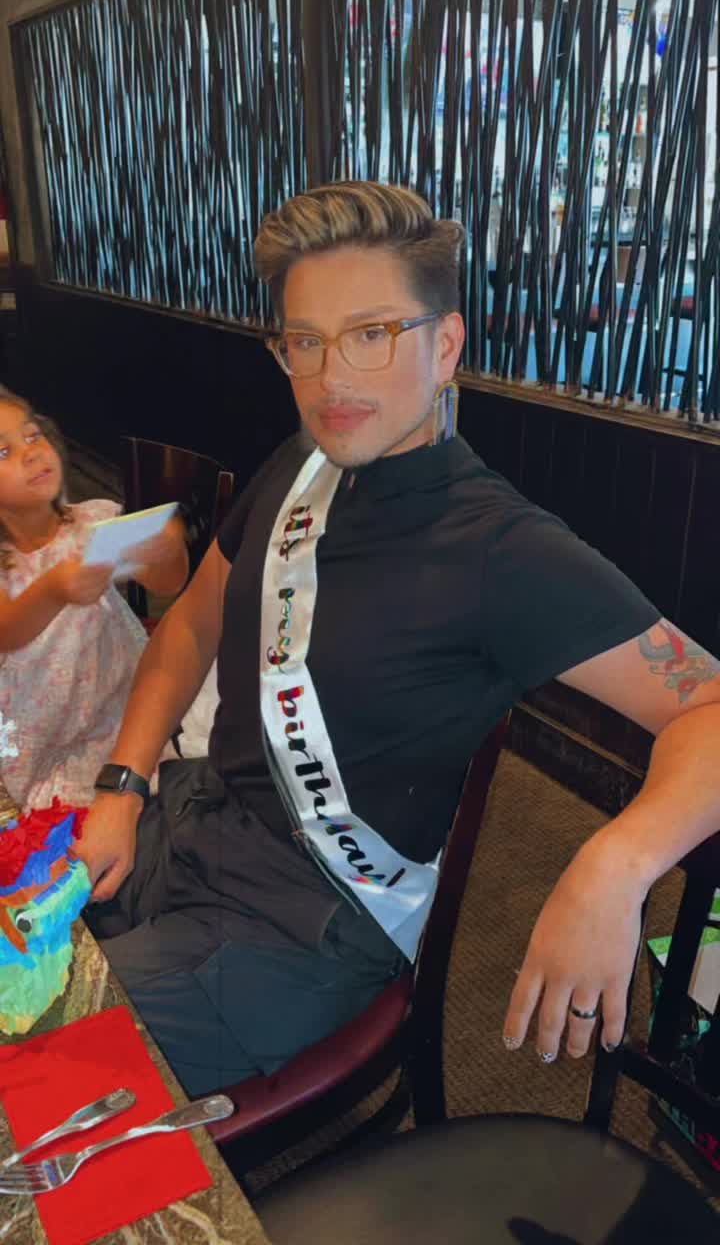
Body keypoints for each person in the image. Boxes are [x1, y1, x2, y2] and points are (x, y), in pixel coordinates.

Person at [76, 181, 720, 1098]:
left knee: (35, 1082)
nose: (331, 377)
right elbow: (188, 626)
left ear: (445, 345)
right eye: (304, 341)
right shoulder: (302, 463)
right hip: (187, 818)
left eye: (372, 333)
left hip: (299, 926)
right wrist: (123, 784)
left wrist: (616, 863)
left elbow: (709, 705)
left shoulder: (503, 550)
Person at [0, 389, 188, 810]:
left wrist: (165, 550)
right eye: (3, 452)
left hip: (122, 704)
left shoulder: (95, 520)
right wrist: (53, 590)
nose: (31, 453)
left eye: (32, 436)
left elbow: (168, 585)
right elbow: (7, 629)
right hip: (42, 736)